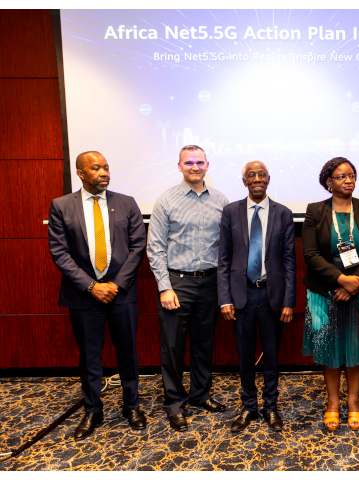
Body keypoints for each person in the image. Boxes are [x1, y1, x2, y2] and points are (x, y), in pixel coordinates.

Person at [48, 151, 146, 440]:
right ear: (80, 173)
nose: (104, 172)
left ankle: (132, 406)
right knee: (90, 356)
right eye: (96, 168)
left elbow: (137, 247)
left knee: (128, 351)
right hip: (83, 296)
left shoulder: (126, 203)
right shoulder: (61, 206)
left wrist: (116, 284)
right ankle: (93, 410)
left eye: (106, 167)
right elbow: (60, 253)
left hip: (121, 293)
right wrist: (91, 286)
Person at [147, 145, 228, 432]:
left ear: (208, 165)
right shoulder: (166, 200)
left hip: (210, 282)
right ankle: (174, 403)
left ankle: (200, 395)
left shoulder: (221, 200)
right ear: (179, 166)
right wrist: (164, 287)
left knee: (204, 343)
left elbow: (226, 246)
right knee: (173, 346)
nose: (195, 167)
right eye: (189, 162)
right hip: (177, 282)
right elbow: (155, 247)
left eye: (200, 162)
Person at [302, 157, 359, 431]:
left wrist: (353, 284)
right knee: (329, 346)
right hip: (324, 289)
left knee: (356, 345)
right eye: (342, 176)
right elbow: (310, 254)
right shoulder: (315, 211)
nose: (349, 180)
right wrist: (340, 281)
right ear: (329, 182)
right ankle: (333, 402)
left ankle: (353, 401)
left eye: (352, 175)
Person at [218, 161, 296, 432]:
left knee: (272, 355)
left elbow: (289, 261)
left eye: (262, 174)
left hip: (272, 296)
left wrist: (288, 301)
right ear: (244, 182)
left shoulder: (283, 214)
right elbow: (223, 259)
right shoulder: (230, 212)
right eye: (251, 175)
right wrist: (225, 298)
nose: (257, 179)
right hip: (242, 296)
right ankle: (249, 406)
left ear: (268, 179)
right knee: (245, 354)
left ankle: (271, 407)